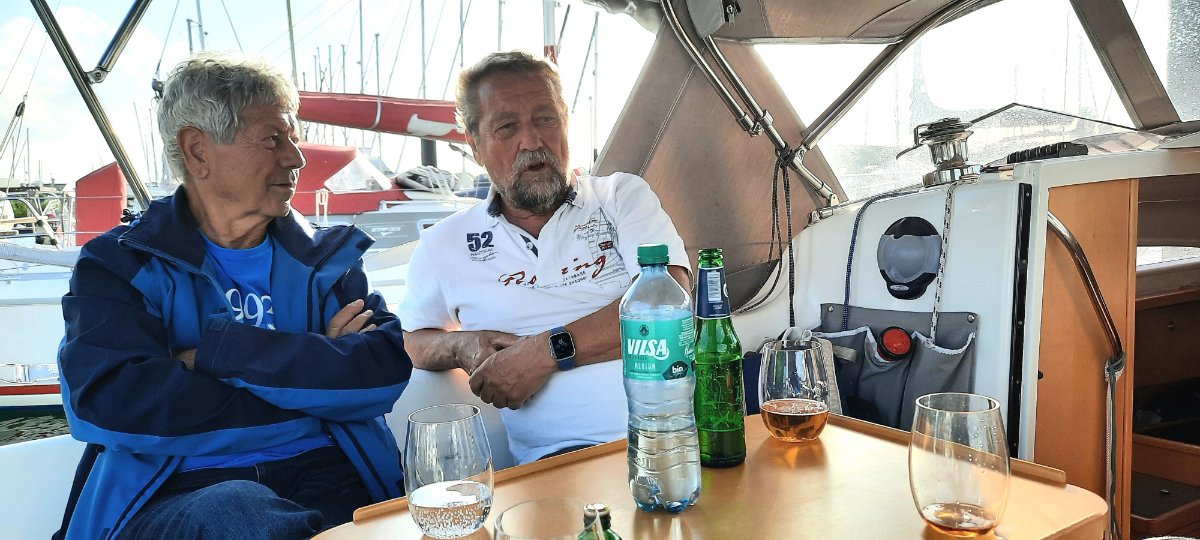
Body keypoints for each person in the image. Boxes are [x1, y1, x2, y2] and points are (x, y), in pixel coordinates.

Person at [55, 52, 412, 540]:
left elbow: (381, 372)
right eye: (272, 138)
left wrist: (215, 354)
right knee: (240, 511)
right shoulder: (118, 264)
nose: (296, 158)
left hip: (327, 471)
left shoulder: (328, 258)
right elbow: (110, 400)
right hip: (173, 494)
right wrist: (315, 381)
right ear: (198, 150)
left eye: (293, 137)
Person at [398, 50, 691, 464]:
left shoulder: (620, 197)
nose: (532, 142)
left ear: (566, 123)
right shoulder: (443, 244)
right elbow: (413, 340)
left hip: (670, 441)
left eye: (545, 119)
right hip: (557, 463)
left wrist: (544, 354)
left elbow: (667, 302)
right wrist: (462, 345)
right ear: (475, 146)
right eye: (507, 127)